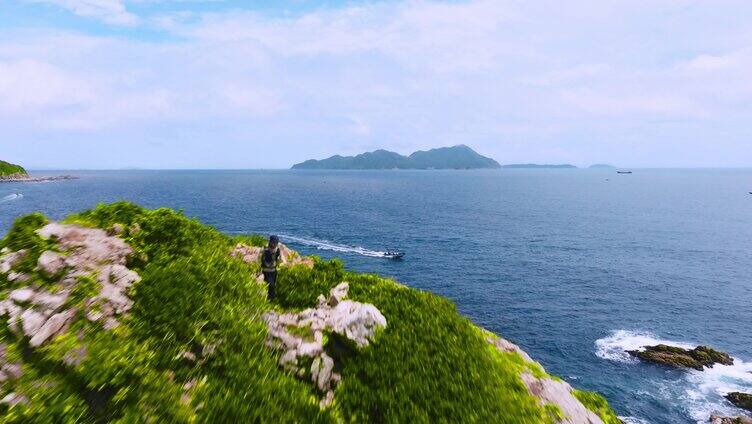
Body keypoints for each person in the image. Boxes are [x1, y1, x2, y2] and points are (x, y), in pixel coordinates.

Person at [260, 235, 281, 300]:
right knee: (271, 285)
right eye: (274, 242)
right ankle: (271, 300)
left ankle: (270, 300)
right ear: (270, 242)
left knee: (272, 286)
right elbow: (259, 259)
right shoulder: (264, 249)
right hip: (265, 271)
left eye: (276, 243)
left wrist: (279, 264)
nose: (275, 244)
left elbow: (280, 259)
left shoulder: (277, 249)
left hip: (273, 271)